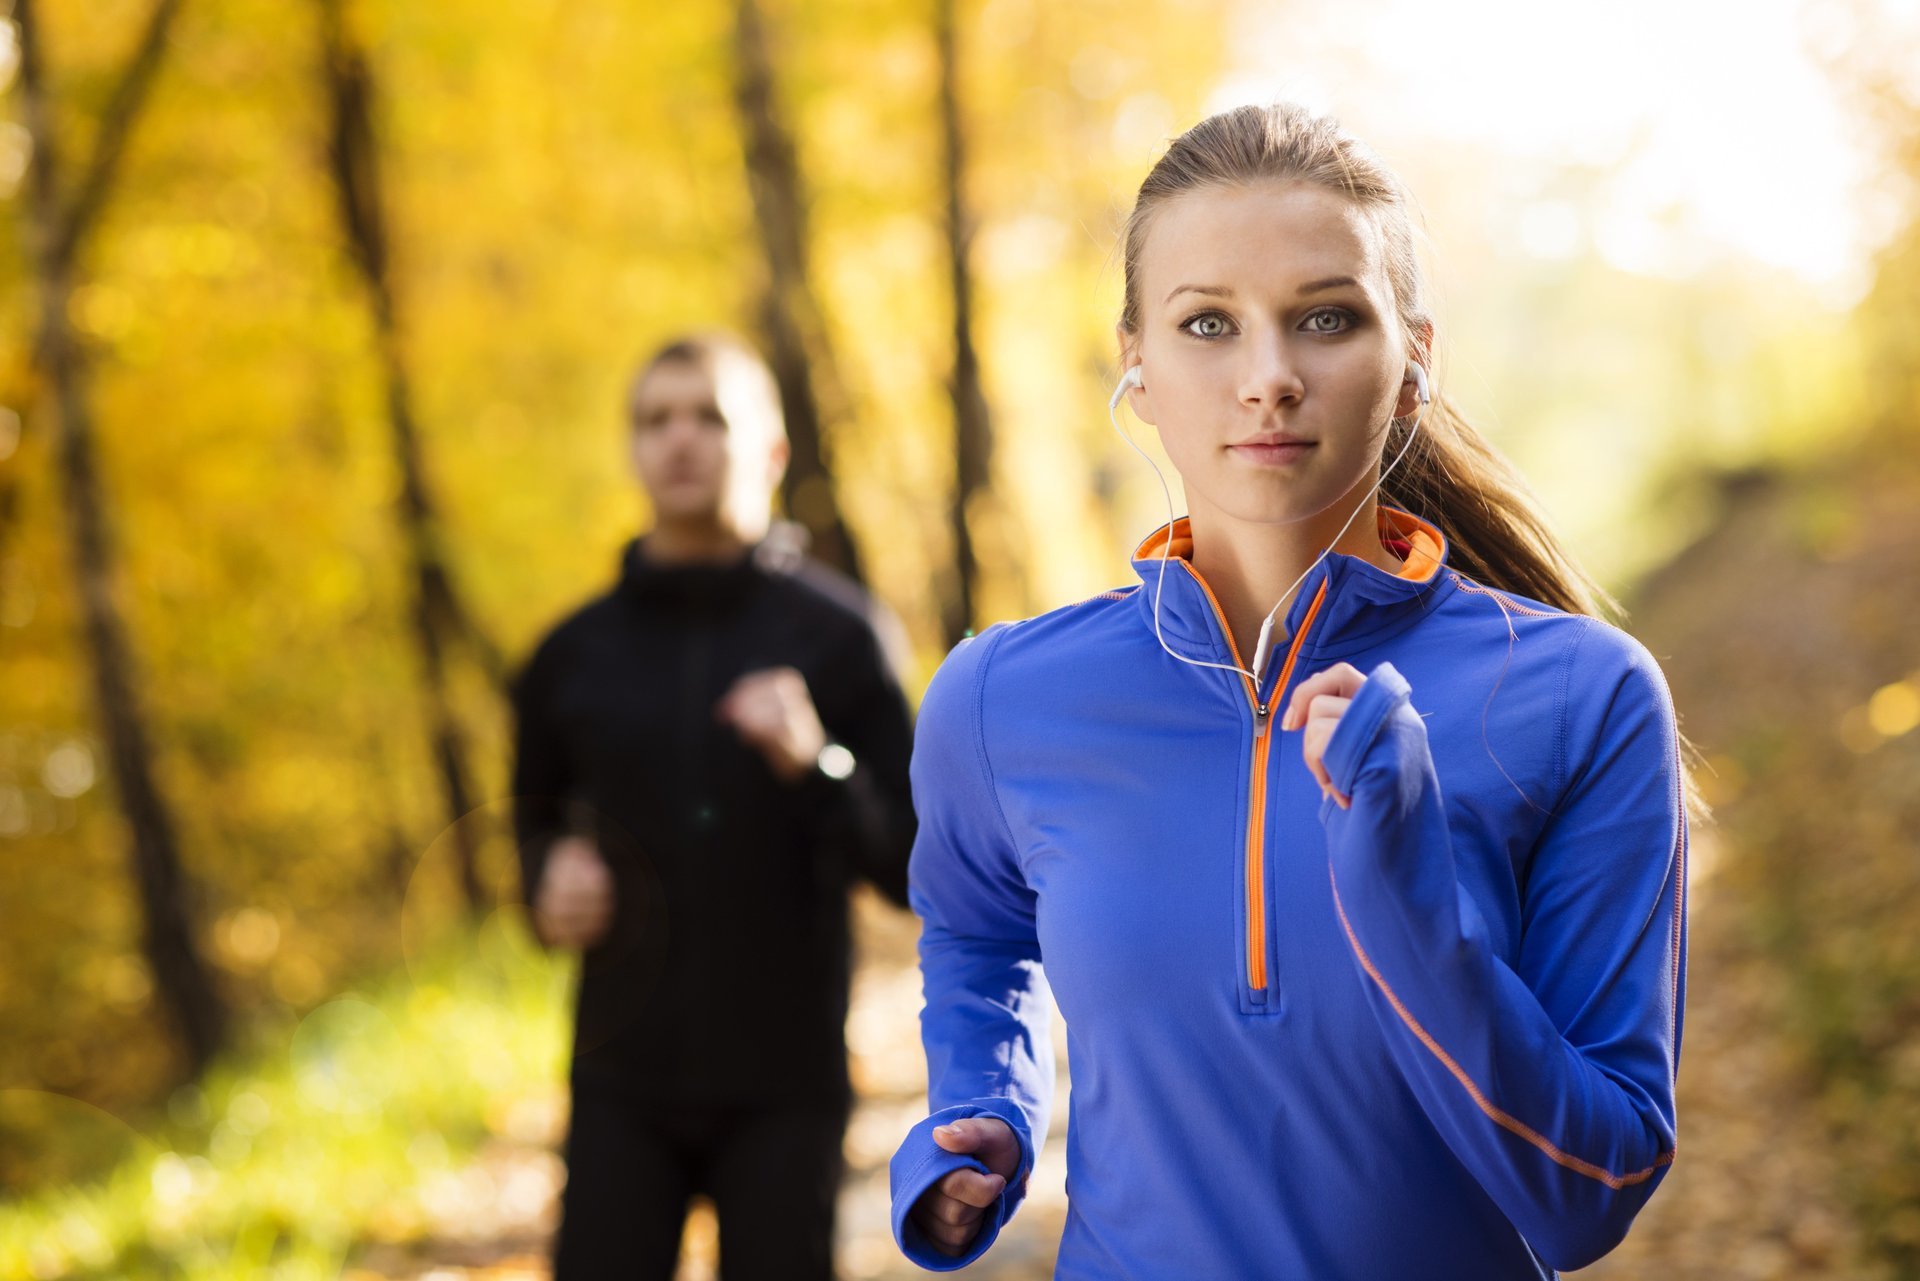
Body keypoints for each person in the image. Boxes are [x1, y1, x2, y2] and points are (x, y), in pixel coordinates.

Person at [887, 104, 1690, 1279]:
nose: (1268, 379)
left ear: (1412, 363)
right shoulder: (1000, 699)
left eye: (1324, 318)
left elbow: (1589, 1197)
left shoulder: (1584, 695)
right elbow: (976, 927)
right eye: (1207, 323)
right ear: (1138, 367)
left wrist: (1409, 906)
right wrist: (983, 1104)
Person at [511, 332, 917, 1281]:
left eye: (710, 417)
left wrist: (815, 762)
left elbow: (906, 865)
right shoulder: (568, 655)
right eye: (656, 420)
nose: (680, 440)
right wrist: (543, 881)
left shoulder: (843, 636)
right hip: (622, 1082)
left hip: (786, 1086)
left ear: (771, 453)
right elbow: (526, 830)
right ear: (633, 450)